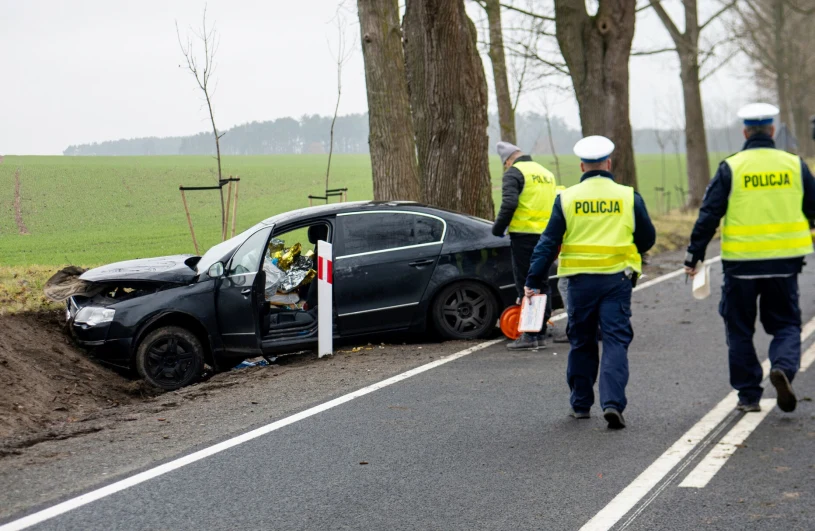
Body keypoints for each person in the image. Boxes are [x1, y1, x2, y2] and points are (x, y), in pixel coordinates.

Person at [684, 103, 815, 414]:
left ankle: (748, 395)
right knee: (786, 324)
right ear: (772, 131)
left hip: (740, 265)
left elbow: (709, 214)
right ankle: (782, 366)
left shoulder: (732, 167)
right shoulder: (794, 165)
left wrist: (694, 255)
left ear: (745, 133)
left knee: (739, 328)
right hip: (784, 263)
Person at [524, 136, 656, 429]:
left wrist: (533, 279)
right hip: (616, 280)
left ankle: (581, 405)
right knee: (615, 340)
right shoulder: (628, 196)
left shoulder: (567, 198)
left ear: (582, 166)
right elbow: (647, 238)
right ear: (608, 163)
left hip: (579, 283)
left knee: (582, 341)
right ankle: (612, 404)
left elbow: (548, 242)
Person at [492, 141, 559, 351]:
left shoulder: (514, 173)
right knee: (542, 282)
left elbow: (509, 203)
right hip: (548, 236)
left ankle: (530, 334)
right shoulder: (545, 173)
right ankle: (540, 330)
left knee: (527, 284)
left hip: (525, 236)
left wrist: (498, 228)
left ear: (508, 160)